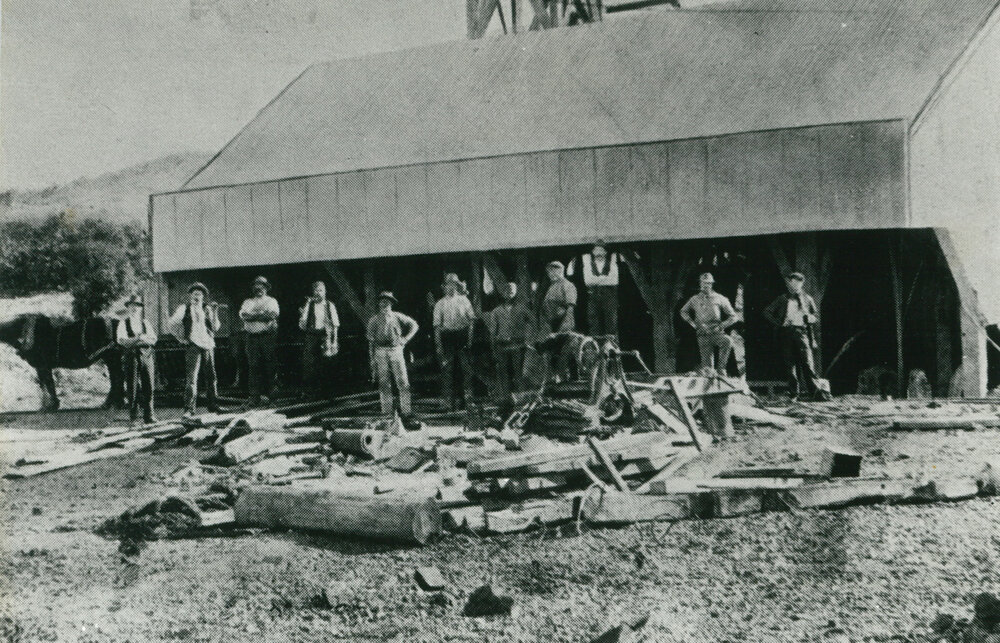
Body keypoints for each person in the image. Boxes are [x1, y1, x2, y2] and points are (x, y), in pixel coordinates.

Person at [764, 271, 829, 401]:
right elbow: (767, 312)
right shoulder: (783, 298)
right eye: (792, 282)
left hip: (802, 333)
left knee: (808, 362)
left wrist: (810, 318)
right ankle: (794, 394)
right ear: (789, 283)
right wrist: (779, 322)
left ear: (801, 283)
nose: (794, 285)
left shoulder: (807, 299)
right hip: (787, 333)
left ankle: (816, 393)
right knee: (790, 364)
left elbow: (815, 317)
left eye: (797, 283)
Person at [366, 291, 421, 429]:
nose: (385, 304)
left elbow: (414, 325)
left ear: (391, 304)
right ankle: (387, 414)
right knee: (384, 383)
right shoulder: (374, 320)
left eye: (388, 302)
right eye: (382, 301)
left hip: (396, 350)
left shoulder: (398, 316)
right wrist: (372, 359)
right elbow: (370, 342)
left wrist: (405, 339)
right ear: (379, 303)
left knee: (402, 382)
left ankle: (407, 413)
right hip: (380, 351)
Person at [168, 282, 221, 417]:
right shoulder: (184, 309)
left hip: (208, 344)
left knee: (211, 377)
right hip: (193, 345)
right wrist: (181, 337)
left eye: (199, 294)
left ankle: (213, 405)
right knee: (192, 378)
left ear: (203, 296)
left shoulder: (207, 309)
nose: (196, 296)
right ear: (190, 296)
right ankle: (189, 409)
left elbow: (215, 327)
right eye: (194, 294)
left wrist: (215, 312)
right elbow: (172, 324)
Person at [680, 272, 738, 374]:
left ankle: (721, 368)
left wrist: (721, 326)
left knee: (727, 341)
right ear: (700, 284)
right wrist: (693, 324)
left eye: (708, 283)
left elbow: (734, 317)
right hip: (702, 334)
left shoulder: (720, 298)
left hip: (716, 331)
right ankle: (710, 378)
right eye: (703, 283)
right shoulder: (694, 299)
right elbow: (683, 311)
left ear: (711, 284)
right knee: (707, 369)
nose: (705, 285)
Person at [485, 282, 534, 405]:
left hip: (518, 346)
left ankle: (520, 398)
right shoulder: (496, 311)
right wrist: (493, 347)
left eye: (512, 290)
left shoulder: (522, 309)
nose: (509, 293)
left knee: (518, 372)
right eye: (507, 290)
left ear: (516, 292)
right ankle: (505, 398)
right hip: (502, 346)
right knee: (503, 373)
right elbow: (492, 332)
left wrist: (527, 337)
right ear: (503, 293)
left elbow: (533, 322)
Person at [433, 273, 476, 410]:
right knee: (447, 370)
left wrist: (469, 339)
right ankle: (447, 402)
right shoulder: (440, 303)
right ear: (444, 287)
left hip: (462, 336)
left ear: (457, 286)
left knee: (466, 369)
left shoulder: (464, 301)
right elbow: (437, 327)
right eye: (448, 284)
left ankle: (468, 401)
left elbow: (471, 321)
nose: (451, 287)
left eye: (454, 284)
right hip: (447, 338)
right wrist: (439, 345)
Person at [239, 276, 279, 406]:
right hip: (251, 338)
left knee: (270, 367)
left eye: (262, 286)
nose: (259, 289)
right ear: (253, 289)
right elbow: (245, 316)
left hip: (267, 337)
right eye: (256, 287)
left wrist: (253, 316)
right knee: (253, 367)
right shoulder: (247, 302)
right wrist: (262, 315)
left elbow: (272, 315)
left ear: (266, 288)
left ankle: (273, 398)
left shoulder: (272, 301)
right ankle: (254, 398)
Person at [117, 294, 157, 424]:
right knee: (132, 386)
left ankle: (149, 416)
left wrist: (137, 339)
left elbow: (153, 340)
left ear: (141, 308)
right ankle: (133, 417)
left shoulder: (145, 323)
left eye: (137, 306)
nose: (135, 308)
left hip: (147, 355)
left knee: (149, 386)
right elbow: (123, 342)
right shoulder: (123, 323)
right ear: (128, 308)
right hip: (131, 357)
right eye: (132, 306)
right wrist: (138, 338)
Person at [567, 242, 620, 338]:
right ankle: (596, 347)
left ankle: (611, 348)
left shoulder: (612, 263)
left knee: (611, 323)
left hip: (610, 298)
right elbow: (588, 281)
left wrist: (596, 280)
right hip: (593, 298)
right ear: (593, 252)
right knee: (593, 324)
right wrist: (605, 279)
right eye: (596, 251)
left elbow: (614, 280)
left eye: (601, 251)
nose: (599, 253)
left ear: (605, 253)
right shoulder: (587, 263)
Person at [298, 281, 339, 398]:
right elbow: (302, 325)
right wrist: (305, 308)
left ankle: (327, 393)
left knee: (326, 364)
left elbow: (335, 325)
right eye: (316, 290)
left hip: (325, 335)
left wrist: (334, 342)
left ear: (325, 292)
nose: (318, 293)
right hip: (311, 335)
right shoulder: (309, 305)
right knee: (309, 364)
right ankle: (309, 393)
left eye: (320, 290)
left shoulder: (330, 305)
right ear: (313, 292)